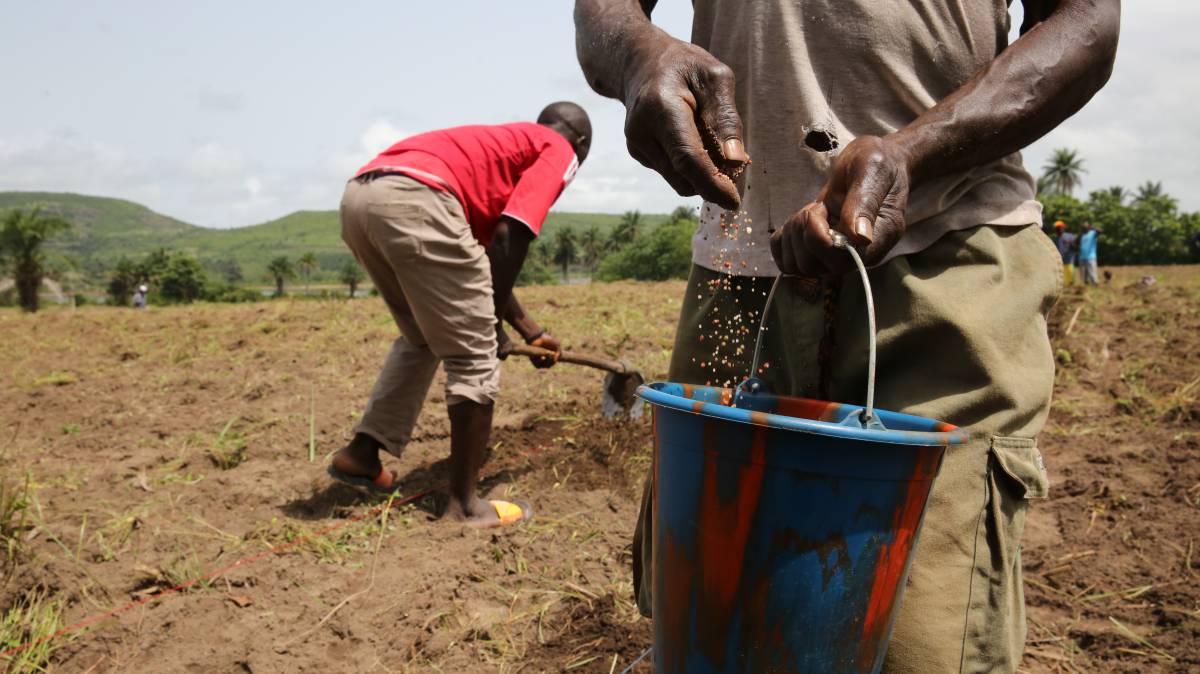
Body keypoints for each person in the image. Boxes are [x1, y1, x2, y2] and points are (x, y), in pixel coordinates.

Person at [576, 1, 1118, 671]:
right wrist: (637, 54)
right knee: (707, 621)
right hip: (739, 264)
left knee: (920, 645)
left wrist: (914, 152)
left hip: (940, 251)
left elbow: (1087, 25)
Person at [328, 102, 592, 527]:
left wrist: (529, 330)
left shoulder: (499, 149)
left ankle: (361, 454)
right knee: (473, 356)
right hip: (419, 201)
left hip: (364, 196)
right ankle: (465, 506)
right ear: (580, 144)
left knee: (420, 337)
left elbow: (481, 258)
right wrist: (489, 327)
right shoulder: (558, 148)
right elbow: (510, 238)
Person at [1055, 220, 1078, 285]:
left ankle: (1071, 285)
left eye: (1060, 228)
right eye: (1057, 228)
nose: (1059, 229)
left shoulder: (1070, 236)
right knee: (1063, 276)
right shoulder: (1056, 239)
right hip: (1061, 260)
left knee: (1070, 272)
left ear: (1063, 228)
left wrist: (1069, 243)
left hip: (1069, 258)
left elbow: (1076, 246)